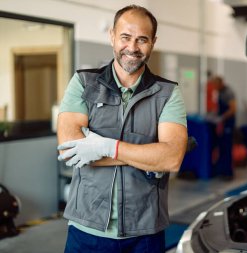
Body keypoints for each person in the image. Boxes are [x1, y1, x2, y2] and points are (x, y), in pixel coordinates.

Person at [56, 5, 187, 253]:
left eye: (142, 39)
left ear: (153, 42)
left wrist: (105, 146)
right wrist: (147, 156)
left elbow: (171, 158)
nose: (133, 47)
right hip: (87, 228)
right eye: (125, 37)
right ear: (112, 36)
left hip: (145, 231)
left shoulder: (168, 92)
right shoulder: (84, 83)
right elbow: (70, 149)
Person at [213, 76, 236, 180]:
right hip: (222, 124)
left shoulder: (228, 92)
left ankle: (228, 173)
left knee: (227, 148)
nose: (215, 87)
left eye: (216, 85)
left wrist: (222, 118)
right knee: (221, 147)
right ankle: (222, 171)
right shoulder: (220, 92)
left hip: (228, 124)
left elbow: (233, 109)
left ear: (221, 83)